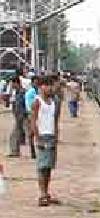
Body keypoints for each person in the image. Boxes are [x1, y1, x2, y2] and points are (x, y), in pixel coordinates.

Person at [28, 75, 60, 206]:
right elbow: (33, 121)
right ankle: (42, 194)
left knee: (48, 167)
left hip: (51, 136)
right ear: (43, 86)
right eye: (49, 86)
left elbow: (55, 121)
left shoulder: (53, 102)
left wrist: (56, 135)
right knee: (41, 166)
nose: (52, 89)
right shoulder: (37, 101)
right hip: (42, 136)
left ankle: (46, 192)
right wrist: (37, 138)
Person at [7, 75, 27, 157]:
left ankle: (15, 151)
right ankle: (15, 151)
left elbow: (24, 105)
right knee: (17, 134)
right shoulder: (18, 92)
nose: (11, 86)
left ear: (16, 83)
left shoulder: (22, 92)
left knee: (14, 135)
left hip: (20, 115)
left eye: (12, 84)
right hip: (18, 115)